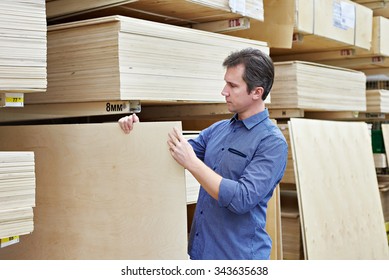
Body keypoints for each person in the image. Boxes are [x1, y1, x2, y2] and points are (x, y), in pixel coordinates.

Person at [118, 48, 288, 260]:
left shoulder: (272, 143)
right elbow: (173, 151)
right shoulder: (218, 130)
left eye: (233, 85)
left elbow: (242, 198)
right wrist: (137, 130)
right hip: (200, 254)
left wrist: (193, 164)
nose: (224, 91)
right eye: (226, 83)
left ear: (257, 92)